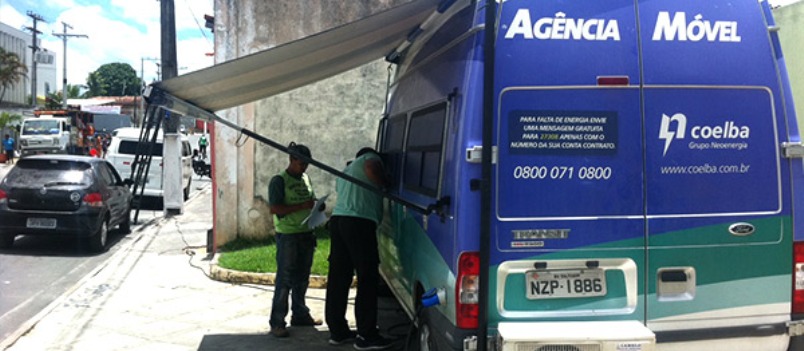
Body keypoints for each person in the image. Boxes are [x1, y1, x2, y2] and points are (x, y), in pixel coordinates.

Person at [325, 147, 392, 350]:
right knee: (367, 277)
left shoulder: (347, 171)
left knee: (339, 277)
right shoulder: (369, 159)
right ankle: (366, 335)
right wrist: (386, 184)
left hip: (339, 221)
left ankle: (338, 331)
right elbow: (372, 166)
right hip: (359, 223)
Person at [268, 142, 323, 338]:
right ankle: (277, 322)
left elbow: (311, 200)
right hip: (288, 236)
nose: (304, 168)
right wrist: (302, 206)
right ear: (291, 160)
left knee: (302, 278)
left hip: (306, 233)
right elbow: (275, 209)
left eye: (307, 165)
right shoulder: (279, 181)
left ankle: (300, 314)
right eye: (301, 164)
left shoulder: (306, 178)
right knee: (285, 279)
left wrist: (317, 208)